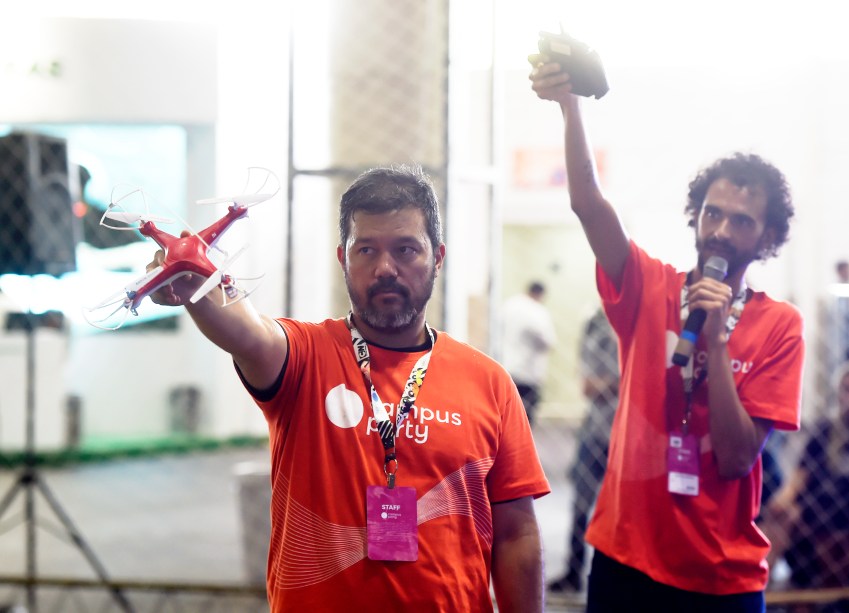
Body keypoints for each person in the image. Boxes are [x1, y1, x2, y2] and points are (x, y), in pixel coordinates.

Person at [149, 165, 550, 612]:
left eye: (405, 250)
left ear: (437, 257)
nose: (385, 269)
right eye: (366, 250)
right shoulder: (303, 355)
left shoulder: (488, 382)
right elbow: (247, 332)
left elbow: (517, 534)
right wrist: (195, 283)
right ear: (343, 258)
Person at [530, 58, 805, 612]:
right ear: (696, 216)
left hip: (719, 577)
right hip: (625, 558)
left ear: (767, 236)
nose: (722, 231)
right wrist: (570, 107)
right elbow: (588, 204)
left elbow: (734, 459)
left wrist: (717, 345)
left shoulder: (780, 326)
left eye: (742, 221)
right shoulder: (649, 289)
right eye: (713, 214)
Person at [759, 360, 849, 590]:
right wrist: (785, 499)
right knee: (782, 514)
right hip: (816, 513)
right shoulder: (825, 430)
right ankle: (759, 584)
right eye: (846, 389)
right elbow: (800, 474)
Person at [548, 306, 619, 593]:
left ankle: (611, 576)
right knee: (581, 502)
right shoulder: (595, 323)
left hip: (625, 431)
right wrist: (619, 380)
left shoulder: (636, 316)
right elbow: (589, 385)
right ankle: (574, 570)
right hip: (597, 428)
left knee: (619, 508)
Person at [500, 280, 557, 423]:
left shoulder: (509, 305)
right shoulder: (538, 311)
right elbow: (548, 341)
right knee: (526, 415)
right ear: (540, 294)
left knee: (507, 411)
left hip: (507, 366)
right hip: (528, 371)